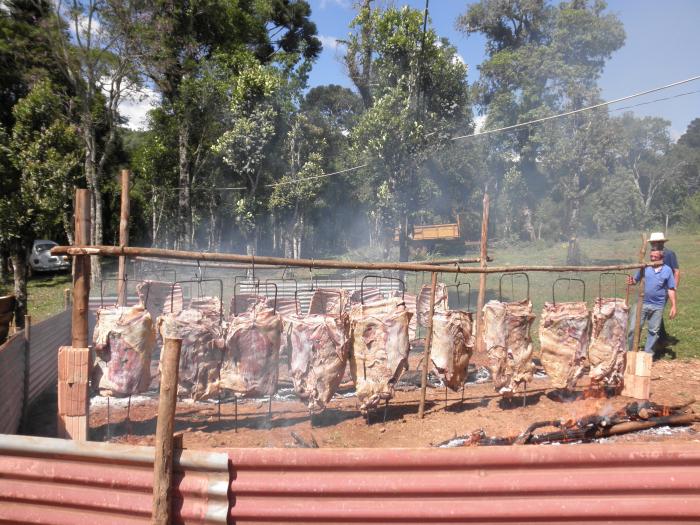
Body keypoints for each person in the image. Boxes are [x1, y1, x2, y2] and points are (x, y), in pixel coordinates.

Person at [627, 249, 677, 354]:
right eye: (651, 256)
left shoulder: (667, 270)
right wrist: (631, 281)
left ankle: (647, 354)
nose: (652, 259)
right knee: (633, 329)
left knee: (653, 331)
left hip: (658, 305)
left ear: (661, 258)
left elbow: (671, 288)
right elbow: (635, 280)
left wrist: (673, 305)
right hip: (642, 303)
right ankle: (631, 352)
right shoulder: (645, 267)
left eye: (655, 257)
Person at [648, 232, 680, 344]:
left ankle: (660, 339)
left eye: (655, 242)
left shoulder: (669, 254)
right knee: (655, 312)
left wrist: (673, 287)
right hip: (654, 289)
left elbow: (676, 271)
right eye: (652, 242)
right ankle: (662, 337)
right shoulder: (652, 254)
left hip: (665, 288)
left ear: (661, 242)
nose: (653, 244)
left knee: (656, 311)